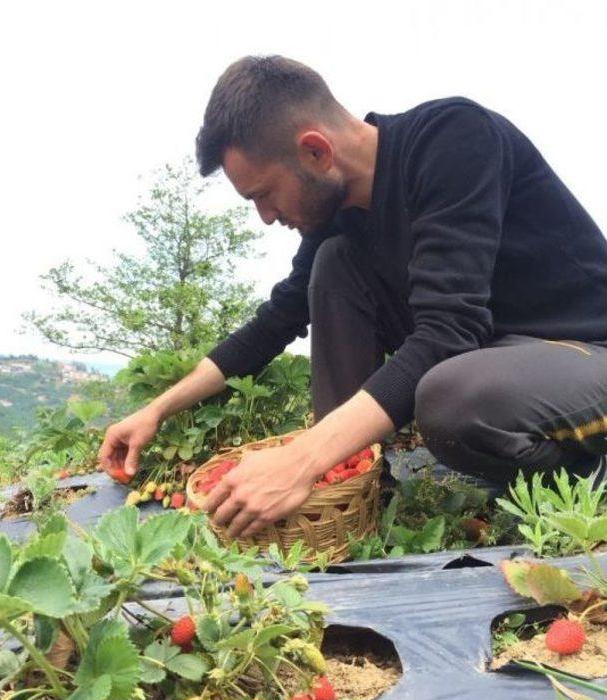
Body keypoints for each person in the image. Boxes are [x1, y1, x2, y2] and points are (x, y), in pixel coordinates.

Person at [99, 55, 607, 541]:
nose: (267, 216)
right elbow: (276, 320)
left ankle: (588, 476)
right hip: (502, 368)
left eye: (262, 194)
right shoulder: (339, 215)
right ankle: (353, 485)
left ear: (316, 151)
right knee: (335, 263)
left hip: (584, 356)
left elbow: (449, 333)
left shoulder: (453, 139)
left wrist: (301, 458)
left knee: (451, 400)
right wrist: (156, 410)